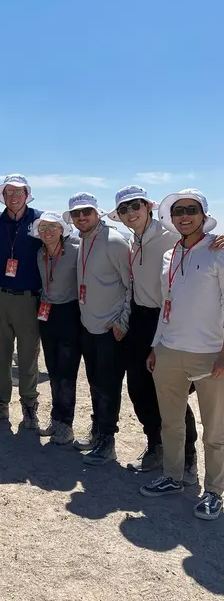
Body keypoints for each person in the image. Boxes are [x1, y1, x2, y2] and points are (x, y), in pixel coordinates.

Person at [107, 185, 201, 477]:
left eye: (134, 206)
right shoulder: (133, 241)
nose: (129, 213)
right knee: (138, 387)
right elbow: (133, 286)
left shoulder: (171, 235)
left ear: (148, 206)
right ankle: (155, 445)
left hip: (169, 319)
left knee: (171, 390)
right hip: (140, 320)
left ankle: (187, 456)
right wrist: (125, 322)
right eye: (123, 209)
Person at [142, 189, 224, 521]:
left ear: (203, 215)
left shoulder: (219, 250)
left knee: (215, 430)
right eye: (178, 211)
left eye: (191, 210)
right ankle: (173, 477)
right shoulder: (170, 254)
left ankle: (215, 492)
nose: (184, 216)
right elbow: (167, 305)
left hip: (209, 354)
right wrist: (155, 344)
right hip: (168, 350)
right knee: (171, 422)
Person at [64, 192, 131, 465]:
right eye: (77, 214)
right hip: (89, 327)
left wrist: (122, 321)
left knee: (109, 387)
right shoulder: (83, 240)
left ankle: (107, 440)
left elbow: (132, 286)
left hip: (110, 330)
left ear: (97, 212)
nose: (82, 217)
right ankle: (98, 431)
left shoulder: (115, 242)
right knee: (95, 385)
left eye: (86, 212)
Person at [0, 175, 42, 429]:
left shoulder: (40, 221)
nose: (14, 197)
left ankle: (29, 407)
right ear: (3, 196)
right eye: (9, 193)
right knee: (0, 355)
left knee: (28, 357)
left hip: (29, 298)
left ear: (27, 194)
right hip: (0, 296)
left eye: (19, 192)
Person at [30, 211, 81, 445]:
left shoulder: (76, 249)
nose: (47, 232)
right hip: (46, 313)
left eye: (52, 227)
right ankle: (56, 418)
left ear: (62, 229)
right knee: (53, 371)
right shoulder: (40, 253)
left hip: (70, 313)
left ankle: (66, 425)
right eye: (43, 228)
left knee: (67, 373)